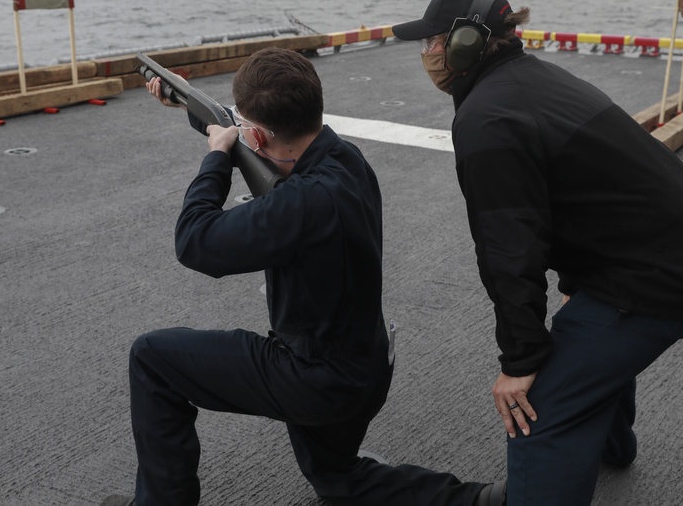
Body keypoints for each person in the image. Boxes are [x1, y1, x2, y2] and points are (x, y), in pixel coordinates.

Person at [104, 47, 504, 506]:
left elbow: (195, 242)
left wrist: (216, 157)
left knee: (153, 358)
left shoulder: (301, 203)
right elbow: (260, 146)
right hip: (365, 365)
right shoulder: (344, 158)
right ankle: (484, 500)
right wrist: (190, 107)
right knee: (338, 480)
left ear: (256, 134)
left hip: (314, 378)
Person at [392, 0, 683, 506]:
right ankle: (613, 447)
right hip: (673, 242)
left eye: (434, 41)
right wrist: (578, 284)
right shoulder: (531, 79)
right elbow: (584, 190)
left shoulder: (488, 120)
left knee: (540, 408)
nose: (427, 54)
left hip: (658, 273)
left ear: (465, 43)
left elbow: (509, 250)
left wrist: (521, 363)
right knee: (587, 342)